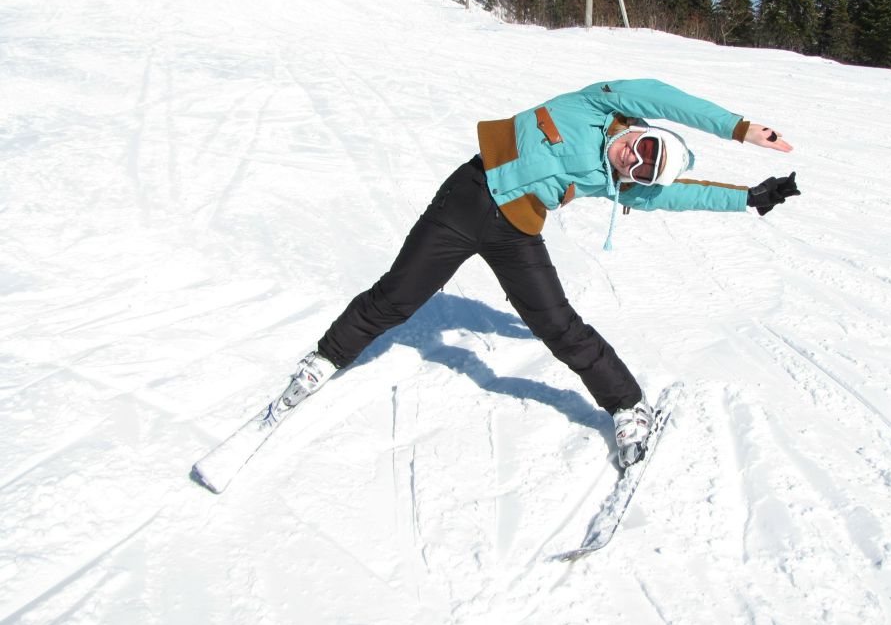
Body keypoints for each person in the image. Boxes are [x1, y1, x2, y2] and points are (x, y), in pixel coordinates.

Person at [273, 79, 799, 468]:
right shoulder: (596, 106)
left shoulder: (616, 179)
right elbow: (662, 95)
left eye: (641, 169)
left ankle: (628, 405)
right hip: (464, 199)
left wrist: (747, 198)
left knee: (559, 327)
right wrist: (740, 129)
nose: (633, 158)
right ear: (643, 131)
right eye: (644, 146)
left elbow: (680, 195)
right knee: (396, 297)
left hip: (515, 233)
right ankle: (325, 359)